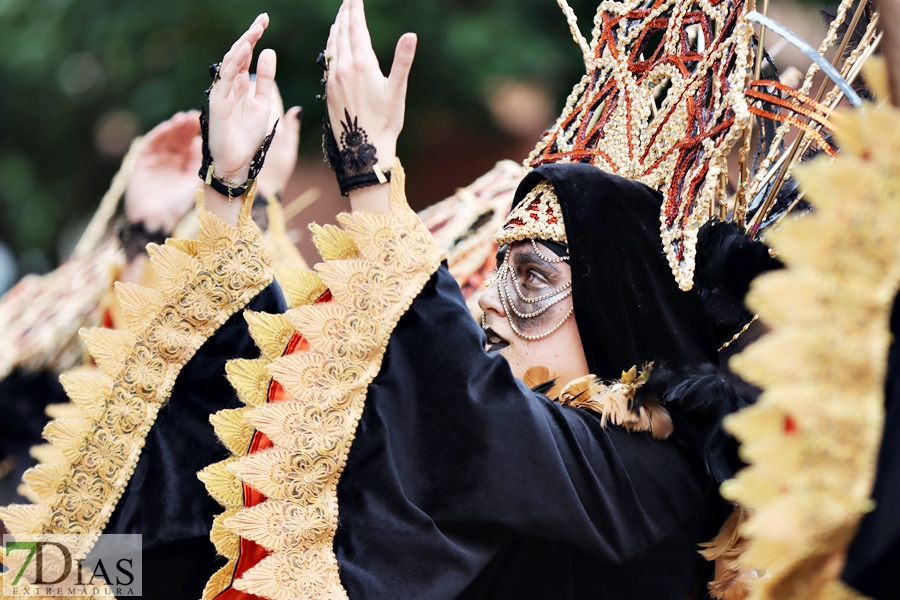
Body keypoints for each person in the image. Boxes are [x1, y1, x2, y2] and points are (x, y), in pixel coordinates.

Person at [194, 5, 755, 599]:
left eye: (532, 278)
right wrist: (228, 193)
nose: (487, 301)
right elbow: (276, 419)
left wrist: (371, 171)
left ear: (615, 312)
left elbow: (479, 417)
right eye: (496, 273)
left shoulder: (654, 474)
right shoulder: (511, 464)